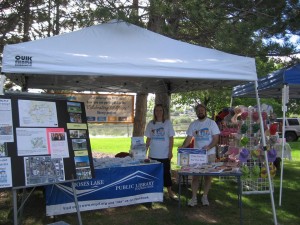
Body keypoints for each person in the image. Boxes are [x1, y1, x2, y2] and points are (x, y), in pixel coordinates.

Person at [179, 103, 220, 206]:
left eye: (202, 110)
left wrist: (209, 147)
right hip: (196, 155)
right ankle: (194, 197)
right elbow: (188, 139)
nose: (200, 112)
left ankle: (205, 197)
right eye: (198, 110)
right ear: (196, 112)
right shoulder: (193, 124)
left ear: (205, 111)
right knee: (195, 176)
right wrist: (183, 147)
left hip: (210, 154)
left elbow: (216, 138)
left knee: (208, 176)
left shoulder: (211, 123)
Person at [145, 104, 178, 201]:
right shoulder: (151, 124)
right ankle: (155, 193)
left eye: (160, 110)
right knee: (153, 174)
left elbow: (171, 138)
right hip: (153, 154)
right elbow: (148, 138)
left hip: (164, 154)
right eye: (156, 110)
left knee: (166, 174)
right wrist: (145, 152)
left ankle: (170, 192)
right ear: (154, 112)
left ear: (163, 112)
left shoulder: (168, 123)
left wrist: (170, 152)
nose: (158, 112)